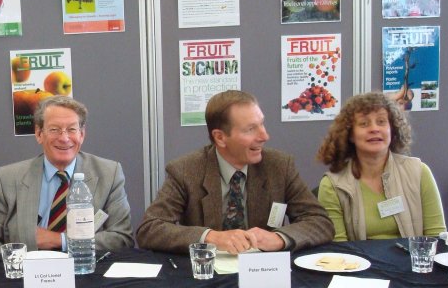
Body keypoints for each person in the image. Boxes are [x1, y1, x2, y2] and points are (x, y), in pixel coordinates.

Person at [136, 90, 333, 254]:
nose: (264, 136)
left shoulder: (279, 166)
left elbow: (320, 222)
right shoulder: (186, 170)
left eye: (262, 124)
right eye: (250, 129)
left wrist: (279, 238)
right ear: (220, 137)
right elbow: (150, 229)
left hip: (265, 275)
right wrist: (211, 237)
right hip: (207, 277)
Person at [0, 96, 134, 253]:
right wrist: (18, 263)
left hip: (86, 270)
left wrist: (61, 240)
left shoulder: (109, 174)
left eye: (72, 129)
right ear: (39, 134)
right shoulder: (8, 178)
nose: (64, 138)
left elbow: (123, 238)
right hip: (26, 274)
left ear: (82, 135)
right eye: (54, 129)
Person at [316, 91, 445, 241]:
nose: (374, 129)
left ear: (392, 129)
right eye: (364, 123)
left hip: (412, 263)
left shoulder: (419, 172)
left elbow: (437, 239)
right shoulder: (333, 185)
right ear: (350, 134)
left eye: (381, 121)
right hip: (358, 263)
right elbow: (338, 252)